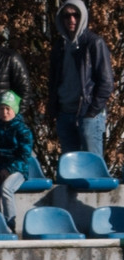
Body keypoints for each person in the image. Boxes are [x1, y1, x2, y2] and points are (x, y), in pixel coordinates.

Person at [48, 0, 113, 159]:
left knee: (93, 168)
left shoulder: (94, 43)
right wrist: (54, 109)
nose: (71, 20)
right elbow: (53, 80)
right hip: (64, 114)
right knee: (70, 170)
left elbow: (106, 82)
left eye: (76, 15)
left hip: (88, 115)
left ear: (82, 16)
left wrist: (91, 112)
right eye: (67, 16)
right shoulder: (59, 47)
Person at [0, 90, 33, 234]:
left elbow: (24, 155)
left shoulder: (22, 130)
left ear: (14, 110)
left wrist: (9, 170)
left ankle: (10, 222)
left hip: (17, 170)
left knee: (6, 188)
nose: (4, 112)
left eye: (8, 109)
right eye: (1, 109)